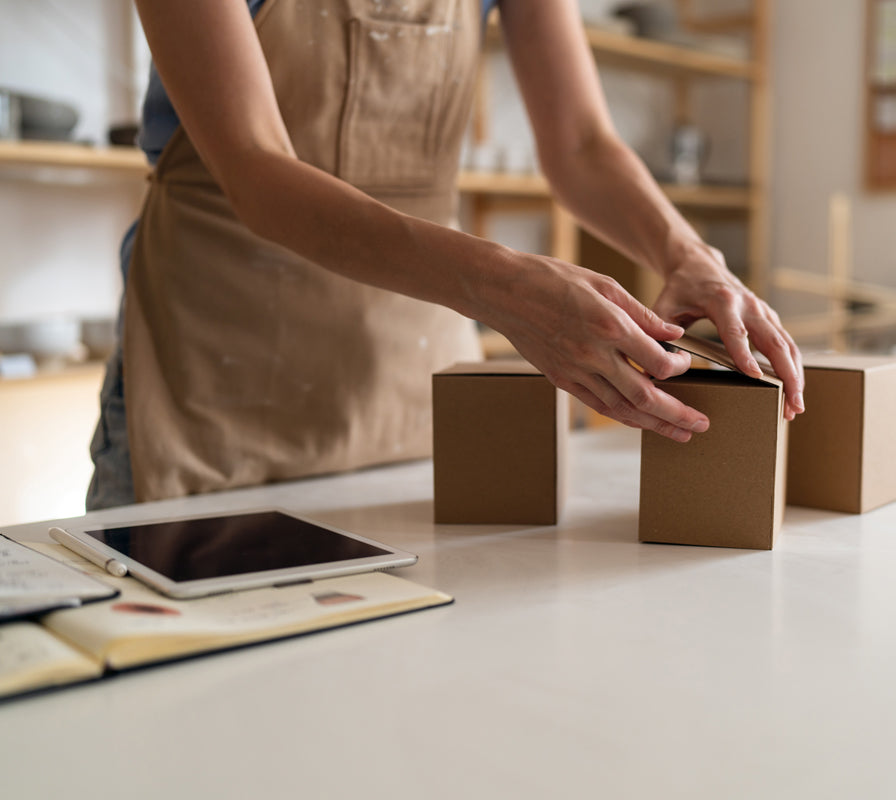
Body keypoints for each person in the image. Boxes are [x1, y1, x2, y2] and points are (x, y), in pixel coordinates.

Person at [87, 0, 804, 510]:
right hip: (212, 376)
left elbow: (582, 144)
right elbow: (255, 168)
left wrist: (689, 253)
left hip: (412, 376)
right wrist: (503, 284)